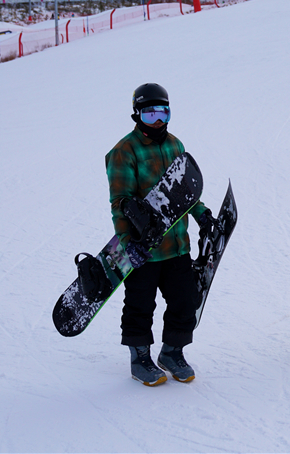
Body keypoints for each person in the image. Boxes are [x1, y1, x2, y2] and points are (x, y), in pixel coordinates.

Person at [105, 83, 216, 386]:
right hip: (144, 248)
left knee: (186, 299)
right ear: (137, 114)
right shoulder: (123, 152)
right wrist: (128, 246)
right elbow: (120, 204)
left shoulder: (175, 146)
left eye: (162, 112)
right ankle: (140, 358)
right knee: (140, 303)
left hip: (177, 244)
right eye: (149, 112)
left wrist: (202, 213)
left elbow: (186, 191)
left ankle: (172, 352)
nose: (157, 120)